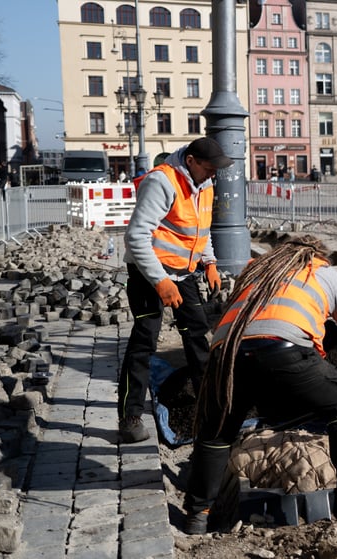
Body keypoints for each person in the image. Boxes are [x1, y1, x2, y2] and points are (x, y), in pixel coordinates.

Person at [182, 235, 337, 534]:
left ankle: (198, 514)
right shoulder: (323, 272)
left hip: (225, 357)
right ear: (319, 256)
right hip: (283, 352)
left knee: (216, 433)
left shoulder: (255, 270)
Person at [117, 137, 232, 444]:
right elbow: (136, 237)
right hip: (147, 275)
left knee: (196, 336)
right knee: (144, 342)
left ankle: (209, 406)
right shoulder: (161, 182)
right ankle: (130, 418)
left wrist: (209, 261)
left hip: (184, 273)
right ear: (191, 161)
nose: (211, 176)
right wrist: (160, 281)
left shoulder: (203, 183)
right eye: (208, 169)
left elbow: (200, 228)